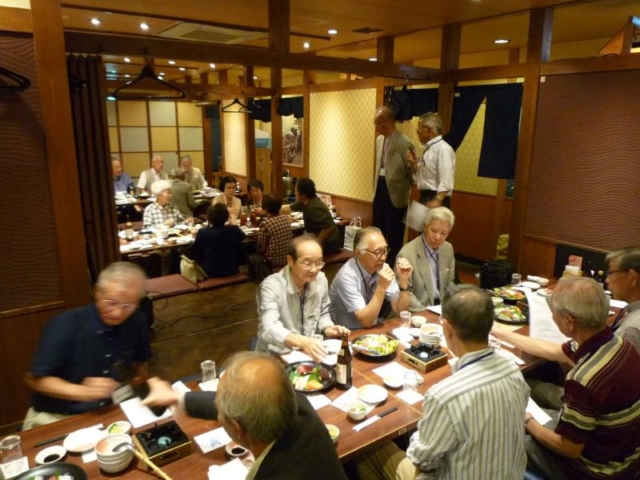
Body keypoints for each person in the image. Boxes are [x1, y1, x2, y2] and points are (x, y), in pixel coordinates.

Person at [357, 284, 529, 480]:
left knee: (369, 450)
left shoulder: (444, 396)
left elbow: (422, 460)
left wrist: (420, 434)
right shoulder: (513, 370)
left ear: (447, 328)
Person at [491, 276, 640, 479]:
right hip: (622, 451)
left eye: (553, 313)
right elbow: (555, 350)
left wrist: (528, 422)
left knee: (502, 435)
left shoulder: (584, 379)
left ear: (569, 321)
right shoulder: (619, 344)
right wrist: (501, 334)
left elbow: (569, 448)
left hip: (595, 470)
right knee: (530, 385)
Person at [142, 352, 348, 480]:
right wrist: (177, 398)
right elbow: (246, 402)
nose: (217, 408)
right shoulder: (299, 405)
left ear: (238, 430)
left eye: (220, 410)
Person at [22, 262, 151, 430]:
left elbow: (141, 363)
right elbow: (34, 379)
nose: (118, 313)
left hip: (111, 409)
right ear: (97, 292)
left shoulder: (137, 321)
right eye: (111, 303)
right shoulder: (64, 325)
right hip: (58, 416)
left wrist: (140, 374)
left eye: (128, 306)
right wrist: (83, 391)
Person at [256, 235, 349, 363]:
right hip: (276, 356)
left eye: (319, 263)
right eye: (307, 263)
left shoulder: (320, 279)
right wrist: (302, 341)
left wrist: (327, 328)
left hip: (307, 353)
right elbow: (269, 327)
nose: (314, 269)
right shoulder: (271, 286)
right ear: (290, 260)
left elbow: (323, 311)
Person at [329, 227, 413, 329]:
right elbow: (366, 321)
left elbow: (401, 311)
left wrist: (404, 282)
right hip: (346, 333)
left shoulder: (383, 268)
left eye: (385, 250)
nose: (383, 257)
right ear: (359, 253)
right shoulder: (347, 276)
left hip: (371, 329)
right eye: (378, 252)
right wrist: (381, 287)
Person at [372, 106, 415, 266]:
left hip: (397, 192)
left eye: (378, 123)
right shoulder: (379, 140)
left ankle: (393, 265)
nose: (376, 127)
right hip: (379, 188)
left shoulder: (405, 142)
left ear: (389, 121)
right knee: (378, 228)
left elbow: (412, 172)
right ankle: (376, 261)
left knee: (395, 231)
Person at [396, 207, 456, 311]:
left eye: (443, 233)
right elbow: (405, 292)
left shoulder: (448, 248)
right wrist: (426, 313)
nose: (437, 237)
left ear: (449, 233)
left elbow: (450, 284)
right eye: (433, 231)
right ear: (424, 226)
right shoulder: (406, 254)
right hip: (418, 310)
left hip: (441, 307)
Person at [406, 112, 455, 209]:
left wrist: (437, 200)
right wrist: (414, 164)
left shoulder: (443, 149)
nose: (417, 131)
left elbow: (447, 181)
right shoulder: (429, 148)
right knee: (414, 219)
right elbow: (422, 178)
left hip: (437, 200)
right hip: (425, 197)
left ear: (428, 130)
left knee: (420, 219)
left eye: (419, 127)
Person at [280, 177, 341, 255]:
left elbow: (328, 227)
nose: (294, 193)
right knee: (296, 244)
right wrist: (271, 208)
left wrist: (319, 242)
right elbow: (288, 208)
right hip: (313, 235)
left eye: (296, 191)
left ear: (303, 194)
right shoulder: (303, 201)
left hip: (329, 242)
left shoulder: (314, 206)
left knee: (297, 248)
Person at [191, 204, 245, 278]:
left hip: (210, 271)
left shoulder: (203, 232)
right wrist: (233, 223)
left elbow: (194, 251)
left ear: (209, 217)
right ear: (226, 217)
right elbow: (242, 236)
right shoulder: (234, 230)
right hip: (231, 269)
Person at [604, 246, 640, 352]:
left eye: (611, 273)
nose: (607, 280)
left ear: (632, 277)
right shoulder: (630, 311)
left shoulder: (631, 329)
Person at [257, 195, 292, 268]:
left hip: (273, 261)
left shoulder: (265, 223)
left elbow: (261, 245)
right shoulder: (286, 219)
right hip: (287, 258)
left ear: (265, 209)